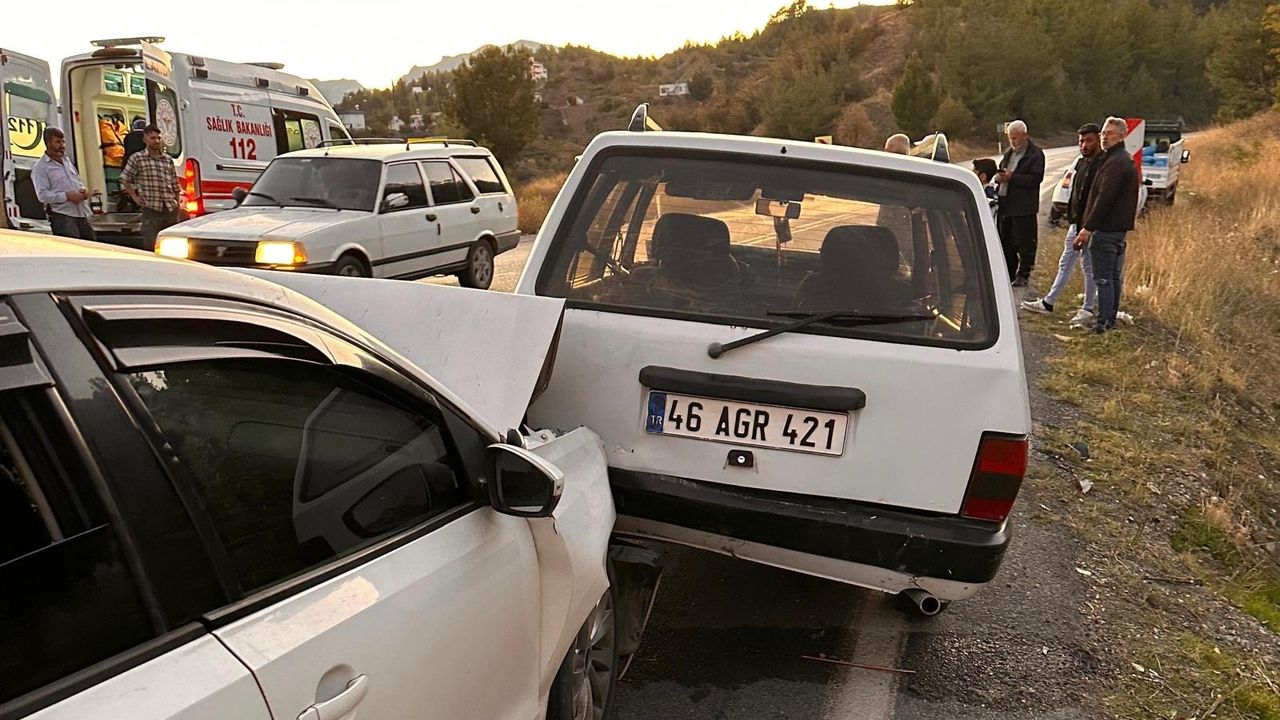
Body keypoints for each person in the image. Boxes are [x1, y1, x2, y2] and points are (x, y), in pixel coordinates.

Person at [1021, 123, 1104, 325]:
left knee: (1088, 266)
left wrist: (1088, 227)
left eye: (1089, 140)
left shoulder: (1102, 165)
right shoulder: (1082, 163)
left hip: (1089, 226)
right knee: (1066, 262)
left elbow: (1099, 199)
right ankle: (1049, 302)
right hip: (1076, 223)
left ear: (1098, 140)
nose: (1084, 145)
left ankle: (1088, 307)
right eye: (1081, 141)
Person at [1074, 116, 1138, 334]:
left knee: (1104, 279)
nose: (1104, 137)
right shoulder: (1115, 159)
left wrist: (1087, 228)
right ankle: (1108, 320)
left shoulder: (1117, 162)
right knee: (1111, 278)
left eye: (1109, 133)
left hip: (1107, 230)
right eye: (1103, 133)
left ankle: (1103, 324)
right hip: (1114, 229)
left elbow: (1104, 198)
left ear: (1122, 135)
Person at [995, 120, 1046, 286]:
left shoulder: (1035, 154)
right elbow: (1002, 169)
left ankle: (1024, 274)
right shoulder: (1009, 153)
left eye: (1015, 138)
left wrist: (1013, 177)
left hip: (1024, 207)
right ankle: (1009, 273)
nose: (1012, 141)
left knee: (1025, 243)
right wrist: (999, 177)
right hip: (1006, 204)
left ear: (1025, 135)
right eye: (1010, 138)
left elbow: (1035, 179)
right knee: (1006, 241)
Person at [122, 124, 182, 251]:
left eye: (158, 138)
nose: (156, 141)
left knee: (172, 243)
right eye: (152, 138)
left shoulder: (167, 159)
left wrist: (176, 201)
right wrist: (135, 197)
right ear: (145, 139)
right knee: (151, 243)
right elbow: (124, 178)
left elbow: (174, 183)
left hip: (170, 208)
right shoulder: (137, 158)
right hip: (151, 208)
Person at [31, 127, 97, 240]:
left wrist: (82, 191)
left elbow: (77, 180)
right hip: (63, 216)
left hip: (81, 213)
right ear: (48, 143)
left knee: (92, 248)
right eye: (57, 142)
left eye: (63, 141)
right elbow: (42, 196)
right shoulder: (41, 167)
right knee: (73, 251)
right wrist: (67, 196)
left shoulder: (66, 161)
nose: (62, 145)